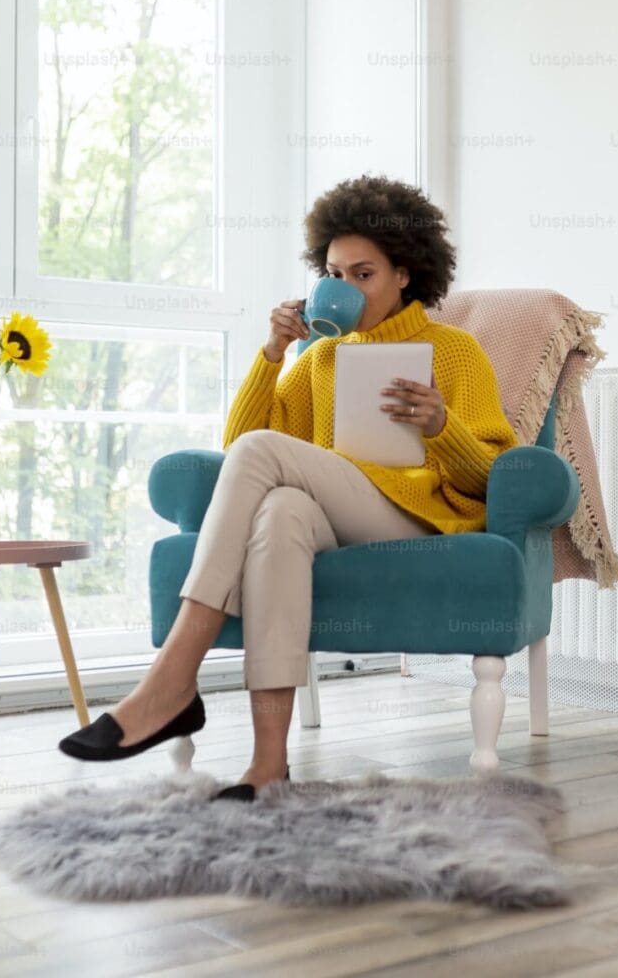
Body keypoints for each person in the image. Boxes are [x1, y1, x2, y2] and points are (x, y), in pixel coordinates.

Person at [58, 175, 519, 800]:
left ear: (405, 274)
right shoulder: (318, 360)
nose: (345, 287)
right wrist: (273, 353)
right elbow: (241, 455)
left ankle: (172, 678)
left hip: (416, 515)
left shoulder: (454, 352)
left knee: (264, 462)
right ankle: (268, 764)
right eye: (334, 273)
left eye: (364, 274)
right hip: (332, 512)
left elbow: (494, 476)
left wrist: (442, 426)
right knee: (278, 511)